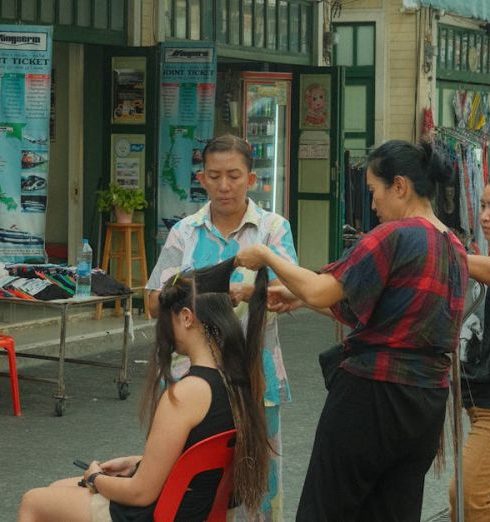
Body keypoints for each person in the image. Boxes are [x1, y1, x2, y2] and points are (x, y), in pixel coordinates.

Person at [236, 140, 469, 522]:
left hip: (372, 395)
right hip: (426, 403)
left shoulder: (393, 235)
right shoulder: (454, 245)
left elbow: (321, 289)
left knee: (326, 509)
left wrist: (265, 256)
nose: (373, 204)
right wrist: (299, 299)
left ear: (400, 186)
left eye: (374, 191)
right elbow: (377, 313)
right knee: (390, 511)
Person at [18, 260, 270, 522]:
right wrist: (139, 462)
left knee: (33, 502)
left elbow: (140, 494)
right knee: (57, 491)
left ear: (186, 317)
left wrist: (95, 477)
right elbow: (197, 457)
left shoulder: (188, 393)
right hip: (196, 507)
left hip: (164, 513)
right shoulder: (240, 381)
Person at [147, 134, 297, 521]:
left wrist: (251, 290)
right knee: (192, 483)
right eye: (214, 176)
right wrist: (190, 294)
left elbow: (294, 290)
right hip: (189, 381)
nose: (224, 185)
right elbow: (152, 299)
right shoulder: (185, 232)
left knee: (259, 487)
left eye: (233, 175)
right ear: (202, 178)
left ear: (251, 179)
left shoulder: (273, 229)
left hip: (256, 378)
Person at [448, 182, 490, 522]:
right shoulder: (478, 261)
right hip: (477, 406)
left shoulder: (474, 262)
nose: (485, 217)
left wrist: (438, 248)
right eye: (484, 206)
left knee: (468, 499)